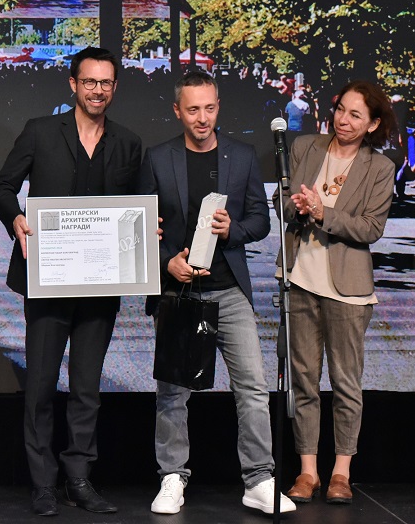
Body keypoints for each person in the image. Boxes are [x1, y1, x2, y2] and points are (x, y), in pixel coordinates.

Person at [0, 47, 141, 517]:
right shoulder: (41, 131)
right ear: (73, 85)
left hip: (100, 282)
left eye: (106, 82)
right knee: (39, 386)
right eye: (90, 81)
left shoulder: (128, 143)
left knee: (86, 388)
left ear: (115, 87)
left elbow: (138, 206)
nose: (98, 90)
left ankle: (78, 479)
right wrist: (15, 219)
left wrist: (146, 228)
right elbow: (2, 187)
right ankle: (43, 484)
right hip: (48, 278)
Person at [138, 70, 296, 516]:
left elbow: (260, 220)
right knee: (173, 392)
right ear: (178, 111)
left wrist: (232, 231)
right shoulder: (158, 158)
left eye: (209, 108)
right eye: (193, 109)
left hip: (228, 290)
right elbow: (143, 225)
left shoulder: (241, 156)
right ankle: (172, 477)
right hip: (178, 292)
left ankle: (259, 480)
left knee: (253, 388)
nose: (202, 118)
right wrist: (166, 262)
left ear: (218, 106)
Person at [273, 80, 396, 506]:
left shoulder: (379, 167)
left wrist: (324, 212)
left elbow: (371, 228)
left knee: (346, 382)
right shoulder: (305, 146)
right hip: (299, 278)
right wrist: (296, 207)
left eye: (355, 115)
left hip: (348, 288)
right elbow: (281, 201)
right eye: (341, 109)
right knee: (303, 379)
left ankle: (341, 472)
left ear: (372, 124)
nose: (343, 119)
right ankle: (308, 471)